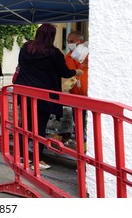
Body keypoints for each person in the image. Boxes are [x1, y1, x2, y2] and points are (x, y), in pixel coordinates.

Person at [15, 24, 83, 170]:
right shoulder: (53, 53)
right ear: (51, 36)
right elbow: (64, 72)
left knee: (24, 126)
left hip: (24, 92)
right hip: (43, 97)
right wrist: (75, 72)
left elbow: (20, 64)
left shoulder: (26, 48)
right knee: (39, 128)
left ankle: (20, 157)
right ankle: (36, 160)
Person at [65, 30, 89, 146]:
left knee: (89, 118)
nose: (69, 44)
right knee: (78, 117)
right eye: (68, 41)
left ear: (80, 42)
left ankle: (86, 139)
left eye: (72, 41)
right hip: (75, 93)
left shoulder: (88, 53)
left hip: (88, 92)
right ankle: (79, 139)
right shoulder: (68, 57)